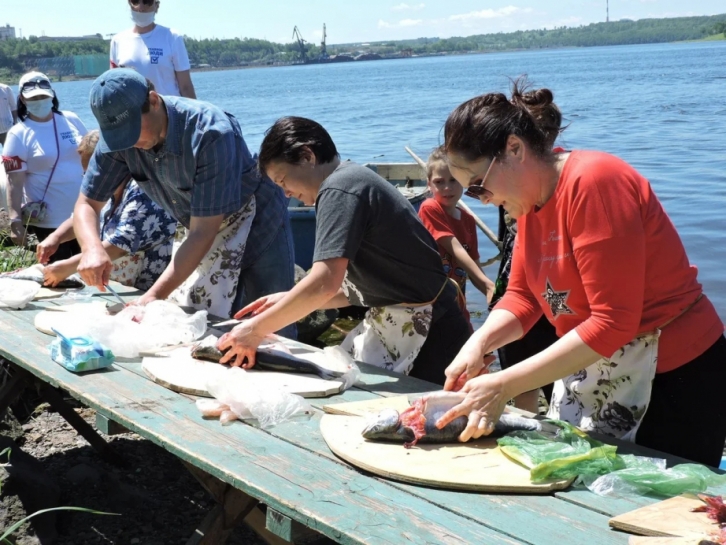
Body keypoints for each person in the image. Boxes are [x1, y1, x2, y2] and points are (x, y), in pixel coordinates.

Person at [435, 81, 726, 467]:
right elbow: (522, 298)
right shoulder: (528, 206)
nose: (482, 200)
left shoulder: (595, 183)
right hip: (593, 370)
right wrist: (479, 344)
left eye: (477, 186)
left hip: (675, 379)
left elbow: (612, 322)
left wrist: (504, 385)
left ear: (515, 149)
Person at [216, 117, 471, 385]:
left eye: (283, 181)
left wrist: (253, 331)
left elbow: (324, 283)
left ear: (307, 156)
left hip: (432, 332)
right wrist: (290, 298)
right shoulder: (350, 180)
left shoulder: (339, 188)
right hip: (406, 320)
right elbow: (355, 290)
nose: (287, 193)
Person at [75, 68, 295, 331]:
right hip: (195, 223)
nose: (130, 143)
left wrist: (153, 296)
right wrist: (91, 248)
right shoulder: (118, 140)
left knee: (269, 317)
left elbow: (203, 233)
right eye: (121, 136)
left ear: (154, 101)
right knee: (197, 317)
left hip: (255, 215)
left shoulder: (210, 131)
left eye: (134, 131)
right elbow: (87, 204)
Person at [486, 88, 563, 414]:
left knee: (537, 354)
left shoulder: (553, 181)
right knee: (518, 351)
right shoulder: (514, 184)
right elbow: (509, 235)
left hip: (551, 279)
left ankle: (529, 411)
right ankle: (527, 415)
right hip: (523, 272)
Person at [37, 130, 177, 291]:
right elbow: (84, 218)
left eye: (93, 173)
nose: (89, 179)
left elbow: (120, 244)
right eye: (86, 174)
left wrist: (67, 268)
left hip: (142, 291)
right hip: (112, 287)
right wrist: (56, 237)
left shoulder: (145, 191)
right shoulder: (107, 188)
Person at [2, 72, 87, 261]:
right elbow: (14, 182)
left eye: (43, 96)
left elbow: (91, 156)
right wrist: (15, 221)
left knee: (91, 273)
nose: (39, 100)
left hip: (83, 214)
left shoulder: (71, 119)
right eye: (33, 97)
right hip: (49, 221)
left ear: (52, 95)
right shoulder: (18, 134)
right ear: (22, 99)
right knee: (61, 277)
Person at [418, 146, 495, 331]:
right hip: (431, 307)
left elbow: (474, 267)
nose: (447, 187)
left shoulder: (468, 220)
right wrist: (488, 284)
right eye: (439, 181)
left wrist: (491, 293)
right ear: (429, 184)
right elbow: (454, 247)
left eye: (453, 180)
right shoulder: (430, 208)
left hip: (457, 304)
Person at [110, 0, 196, 98]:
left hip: (169, 111)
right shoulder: (117, 41)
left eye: (147, 1)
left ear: (156, 6)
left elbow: (185, 87)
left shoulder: (172, 37)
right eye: (135, 1)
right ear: (129, 3)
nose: (141, 7)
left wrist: (196, 112)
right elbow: (114, 87)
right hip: (135, 112)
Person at [0, 81, 17, 146]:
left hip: (7, 129)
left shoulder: (6, 89)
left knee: (10, 154)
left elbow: (14, 107)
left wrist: (15, 122)